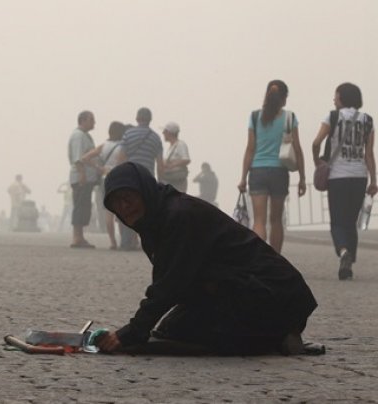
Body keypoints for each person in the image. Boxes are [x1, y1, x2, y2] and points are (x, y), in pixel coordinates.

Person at [95, 162, 317, 356]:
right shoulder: (154, 221)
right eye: (116, 203)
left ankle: (277, 333)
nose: (124, 207)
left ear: (144, 192)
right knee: (171, 331)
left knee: (196, 338)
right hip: (232, 287)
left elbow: (169, 284)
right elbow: (178, 281)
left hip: (274, 294)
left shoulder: (178, 216)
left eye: (128, 198)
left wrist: (131, 332)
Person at [311, 83, 377, 280]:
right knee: (350, 221)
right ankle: (349, 261)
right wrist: (374, 181)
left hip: (337, 177)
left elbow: (316, 143)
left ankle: (343, 252)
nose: (334, 99)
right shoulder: (367, 120)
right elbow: (369, 154)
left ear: (342, 98)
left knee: (337, 222)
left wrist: (318, 162)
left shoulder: (332, 117)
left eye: (336, 96)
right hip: (359, 176)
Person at [238, 80, 307, 253]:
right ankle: (275, 259)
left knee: (259, 221)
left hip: (257, 171)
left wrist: (243, 178)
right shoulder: (289, 118)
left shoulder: (255, 117)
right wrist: (302, 178)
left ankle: (260, 257)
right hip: (279, 172)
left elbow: (250, 149)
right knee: (276, 219)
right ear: (284, 98)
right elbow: (297, 149)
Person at [116, 108, 164, 250]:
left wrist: (120, 176)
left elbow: (121, 157)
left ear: (137, 118)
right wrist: (160, 182)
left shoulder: (128, 134)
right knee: (143, 209)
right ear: (150, 119)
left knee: (126, 206)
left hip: (130, 175)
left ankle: (126, 241)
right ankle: (139, 240)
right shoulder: (155, 137)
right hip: (147, 178)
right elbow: (160, 164)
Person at [81, 121, 125, 249]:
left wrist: (99, 168)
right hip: (119, 179)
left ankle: (112, 241)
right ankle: (124, 239)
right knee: (121, 211)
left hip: (105, 179)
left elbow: (85, 158)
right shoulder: (123, 147)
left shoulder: (104, 146)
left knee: (108, 212)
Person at [67, 110, 99, 248]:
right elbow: (78, 157)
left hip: (87, 177)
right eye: (92, 120)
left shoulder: (85, 136)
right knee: (80, 206)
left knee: (84, 206)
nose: (94, 123)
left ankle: (80, 236)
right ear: (83, 120)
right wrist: (82, 174)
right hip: (81, 177)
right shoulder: (78, 136)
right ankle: (76, 237)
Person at [161, 122, 191, 192]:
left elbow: (186, 159)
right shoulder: (171, 147)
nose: (163, 133)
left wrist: (171, 165)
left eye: (165, 131)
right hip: (171, 179)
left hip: (178, 180)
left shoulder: (180, 144)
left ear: (170, 133)